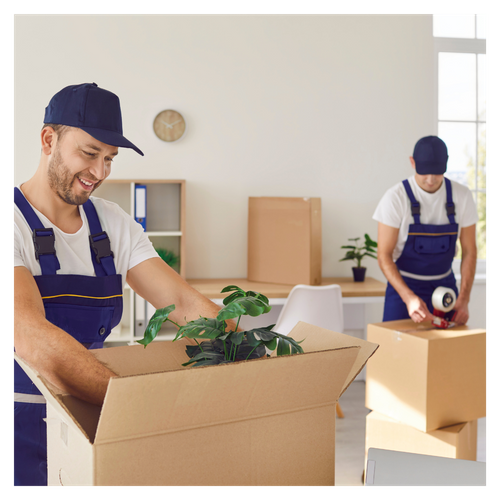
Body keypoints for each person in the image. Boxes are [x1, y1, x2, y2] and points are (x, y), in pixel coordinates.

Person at [11, 83, 229, 488]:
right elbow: (30, 336)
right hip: (18, 433)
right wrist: (135, 404)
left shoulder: (112, 224)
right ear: (48, 139)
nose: (100, 173)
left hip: (90, 424)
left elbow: (182, 301)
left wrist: (237, 346)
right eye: (90, 153)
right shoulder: (14, 223)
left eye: (110, 159)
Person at [373, 135, 478, 325]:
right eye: (425, 173)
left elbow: (470, 251)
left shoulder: (462, 196)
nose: (430, 180)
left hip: (445, 287)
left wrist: (464, 299)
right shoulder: (395, 198)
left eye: (437, 173)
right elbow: (383, 255)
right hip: (404, 287)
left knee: (446, 351)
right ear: (412, 163)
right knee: (396, 350)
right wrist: (408, 298)